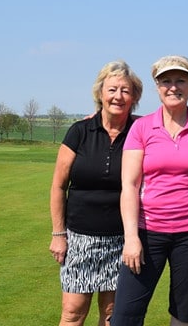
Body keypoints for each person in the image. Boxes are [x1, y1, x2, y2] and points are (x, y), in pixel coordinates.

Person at [110, 55, 188, 326]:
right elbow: (129, 185)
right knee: (125, 315)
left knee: (184, 313)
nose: (173, 87)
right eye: (166, 81)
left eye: (180, 80)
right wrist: (131, 237)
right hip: (148, 232)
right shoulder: (142, 127)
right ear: (157, 85)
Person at [49, 60, 143, 326]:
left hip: (122, 240)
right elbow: (58, 185)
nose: (118, 96)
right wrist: (58, 234)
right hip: (80, 239)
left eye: (126, 91)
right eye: (112, 89)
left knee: (113, 314)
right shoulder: (80, 131)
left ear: (134, 96)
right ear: (100, 93)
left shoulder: (141, 132)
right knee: (72, 312)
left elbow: (173, 118)